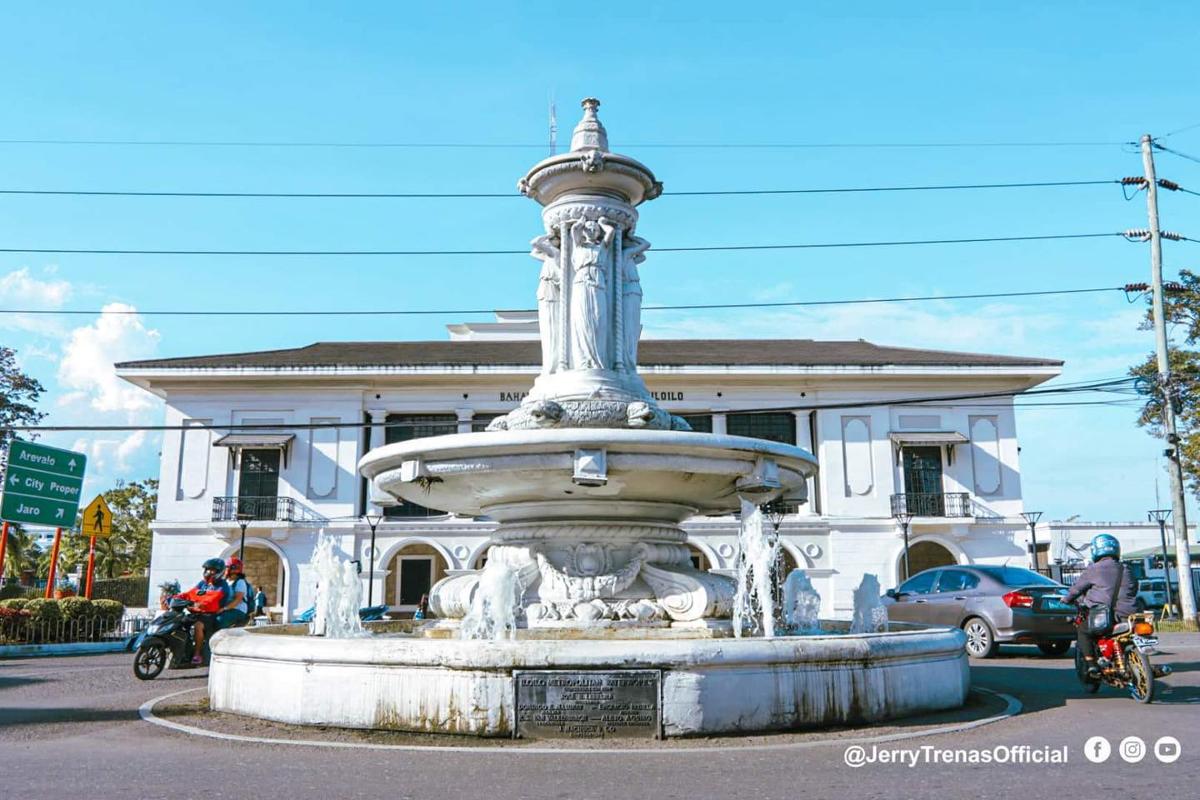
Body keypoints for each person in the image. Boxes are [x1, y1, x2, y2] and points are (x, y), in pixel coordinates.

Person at [1064, 533, 1137, 677]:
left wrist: (1066, 599)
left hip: (1104, 618)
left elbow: (1076, 589)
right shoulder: (1126, 568)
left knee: (1083, 631)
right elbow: (1134, 588)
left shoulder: (1094, 569)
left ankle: (1092, 665)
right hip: (1129, 615)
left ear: (1095, 551)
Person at [175, 558, 229, 665]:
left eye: (212, 570)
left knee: (198, 626)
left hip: (210, 615)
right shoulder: (202, 584)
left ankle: (197, 653)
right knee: (178, 622)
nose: (209, 572)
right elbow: (190, 593)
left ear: (219, 572)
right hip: (196, 612)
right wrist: (176, 597)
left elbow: (213, 599)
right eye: (207, 570)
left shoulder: (222, 586)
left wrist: (199, 604)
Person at [218, 557, 251, 630]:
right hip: (227, 609)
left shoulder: (240, 582)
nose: (224, 570)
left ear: (233, 569)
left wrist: (224, 609)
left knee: (219, 621)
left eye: (226, 567)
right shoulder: (226, 581)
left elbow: (237, 600)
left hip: (238, 610)